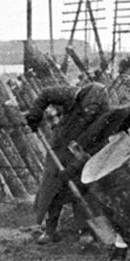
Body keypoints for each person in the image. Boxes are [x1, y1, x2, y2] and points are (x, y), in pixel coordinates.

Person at [24, 82, 113, 244]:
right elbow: (45, 93)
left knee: (83, 188)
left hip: (81, 153)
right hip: (59, 146)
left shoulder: (105, 120)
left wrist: (73, 168)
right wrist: (35, 113)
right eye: (86, 108)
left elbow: (96, 148)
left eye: (93, 111)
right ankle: (50, 230)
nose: (88, 113)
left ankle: (85, 231)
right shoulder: (71, 94)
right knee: (52, 187)